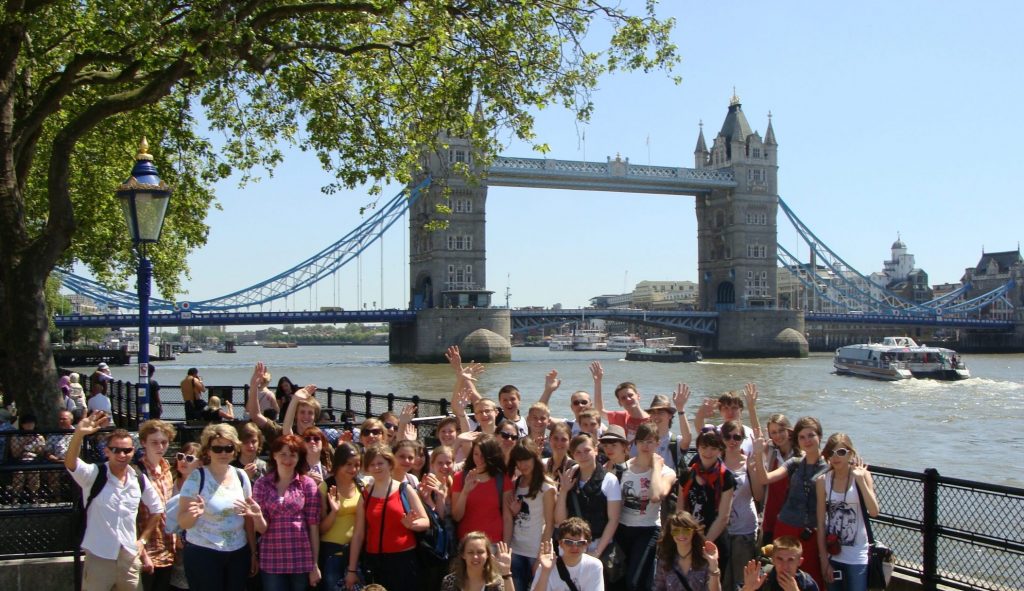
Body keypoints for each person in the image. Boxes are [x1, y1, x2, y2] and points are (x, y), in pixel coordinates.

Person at [65, 411, 164, 591]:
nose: (122, 454)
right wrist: (78, 434)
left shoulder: (138, 479)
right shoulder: (94, 474)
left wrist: (142, 541)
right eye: (116, 450)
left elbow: (157, 509)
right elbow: (71, 463)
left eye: (126, 450)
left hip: (129, 557)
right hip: (99, 555)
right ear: (107, 451)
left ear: (133, 452)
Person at [750, 417, 827, 590]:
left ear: (820, 436)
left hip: (810, 532)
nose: (806, 441)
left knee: (811, 579)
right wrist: (757, 453)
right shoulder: (795, 462)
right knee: (781, 576)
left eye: (810, 435)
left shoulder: (829, 467)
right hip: (785, 527)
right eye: (802, 437)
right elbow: (765, 478)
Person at [238, 433, 321, 590]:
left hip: (301, 558)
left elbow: (313, 526)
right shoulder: (262, 484)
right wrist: (256, 516)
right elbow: (262, 529)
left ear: (298, 458)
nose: (287, 459)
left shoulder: (307, 484)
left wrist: (315, 564)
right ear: (274, 455)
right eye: (283, 454)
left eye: (292, 455)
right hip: (272, 559)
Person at [178, 424, 256, 591]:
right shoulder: (196, 478)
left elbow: (248, 518)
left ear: (235, 450)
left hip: (238, 551)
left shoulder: (241, 476)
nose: (223, 453)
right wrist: (194, 514)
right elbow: (183, 522)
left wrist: (253, 552)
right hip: (203, 552)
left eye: (228, 448)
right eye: (217, 448)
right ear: (208, 450)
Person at [345, 444, 429, 591]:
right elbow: (358, 534)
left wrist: (412, 525)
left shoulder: (405, 489)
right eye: (372, 464)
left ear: (390, 464)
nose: (376, 467)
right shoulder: (365, 495)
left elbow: (425, 521)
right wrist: (352, 569)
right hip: (374, 560)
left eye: (380, 463)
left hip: (403, 560)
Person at [617, 421, 677, 591]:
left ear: (658, 443)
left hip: (648, 529)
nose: (645, 445)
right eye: (642, 441)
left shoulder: (666, 472)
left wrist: (656, 467)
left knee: (634, 581)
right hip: (621, 527)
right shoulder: (623, 468)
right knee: (619, 576)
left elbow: (656, 496)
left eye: (650, 441)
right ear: (635, 443)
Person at [815, 434, 879, 591]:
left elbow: (874, 511)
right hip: (833, 553)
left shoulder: (862, 476)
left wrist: (861, 481)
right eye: (831, 453)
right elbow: (821, 523)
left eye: (841, 452)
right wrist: (824, 561)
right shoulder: (823, 481)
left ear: (850, 453)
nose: (836, 457)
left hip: (857, 556)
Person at [555, 433, 621, 559]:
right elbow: (559, 521)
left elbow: (613, 519)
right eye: (578, 452)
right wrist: (563, 491)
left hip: (597, 544)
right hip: (570, 544)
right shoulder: (569, 478)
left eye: (587, 450)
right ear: (573, 455)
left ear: (596, 450)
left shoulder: (609, 480)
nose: (583, 456)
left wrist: (597, 551)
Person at [503, 438, 556, 591]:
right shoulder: (517, 482)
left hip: (534, 551)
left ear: (535, 457)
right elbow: (515, 518)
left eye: (526, 460)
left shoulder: (546, 486)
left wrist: (541, 556)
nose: (522, 465)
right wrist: (514, 512)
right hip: (516, 548)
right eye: (518, 461)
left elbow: (550, 524)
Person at [136, 420, 178, 591]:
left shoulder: (168, 469)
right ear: (144, 442)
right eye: (154, 442)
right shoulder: (136, 472)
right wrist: (142, 551)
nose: (160, 446)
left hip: (168, 547)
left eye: (164, 442)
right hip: (147, 548)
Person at [677, 429, 736, 552]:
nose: (708, 452)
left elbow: (723, 517)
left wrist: (704, 543)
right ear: (697, 448)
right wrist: (685, 538)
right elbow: (680, 510)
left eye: (713, 448)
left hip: (714, 540)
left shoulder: (726, 477)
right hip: (689, 537)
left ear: (720, 450)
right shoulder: (687, 475)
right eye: (704, 447)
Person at [721, 420, 762, 591]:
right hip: (720, 529)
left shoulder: (749, 463)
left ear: (743, 439)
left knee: (741, 580)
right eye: (728, 436)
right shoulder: (716, 461)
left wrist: (755, 469)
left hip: (744, 529)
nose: (732, 441)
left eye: (737, 437)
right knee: (722, 578)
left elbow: (759, 495)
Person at [451, 433, 513, 544]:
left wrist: (506, 546)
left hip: (494, 542)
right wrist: (465, 491)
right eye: (476, 454)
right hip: (467, 543)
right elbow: (456, 517)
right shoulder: (460, 477)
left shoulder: (502, 479)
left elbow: (507, 518)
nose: (479, 459)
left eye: (484, 455)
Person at [319, 442, 363, 591]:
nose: (353, 469)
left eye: (357, 465)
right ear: (339, 463)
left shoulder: (361, 486)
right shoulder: (325, 486)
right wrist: (334, 512)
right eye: (348, 464)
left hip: (356, 553)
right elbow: (321, 528)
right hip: (333, 553)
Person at [652, 511, 722, 591]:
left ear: (693, 532)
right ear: (671, 533)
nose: (681, 534)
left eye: (686, 530)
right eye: (676, 531)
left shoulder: (705, 559)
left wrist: (714, 565)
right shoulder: (665, 560)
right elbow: (658, 588)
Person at [531, 518, 606, 591]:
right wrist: (545, 571)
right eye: (568, 542)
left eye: (580, 543)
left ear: (587, 544)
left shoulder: (594, 566)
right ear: (560, 543)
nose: (574, 547)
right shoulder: (545, 566)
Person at [761, 414, 798, 545]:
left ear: (789, 430)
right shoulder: (771, 450)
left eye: (781, 431)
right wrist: (751, 406)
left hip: (792, 518)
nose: (778, 436)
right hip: (771, 514)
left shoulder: (800, 454)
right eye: (774, 432)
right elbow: (758, 436)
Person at [739, 536, 819, 591]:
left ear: (799, 562)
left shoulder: (806, 583)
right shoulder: (760, 577)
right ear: (773, 560)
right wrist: (747, 589)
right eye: (780, 559)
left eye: (790, 560)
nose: (784, 566)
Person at [441, 532, 514, 591]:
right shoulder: (450, 581)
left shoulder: (496, 582)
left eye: (480, 552)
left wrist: (506, 573)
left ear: (488, 554)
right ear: (463, 555)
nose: (475, 557)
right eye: (470, 552)